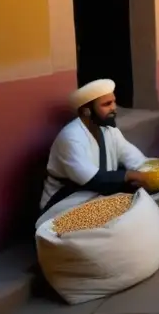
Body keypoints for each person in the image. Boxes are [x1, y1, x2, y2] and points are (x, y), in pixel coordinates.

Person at [39, 79, 151, 222]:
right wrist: (129, 175)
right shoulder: (71, 137)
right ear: (86, 110)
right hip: (65, 201)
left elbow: (135, 159)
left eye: (113, 102)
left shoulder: (110, 131)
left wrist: (151, 174)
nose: (114, 108)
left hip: (95, 196)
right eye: (107, 104)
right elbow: (92, 180)